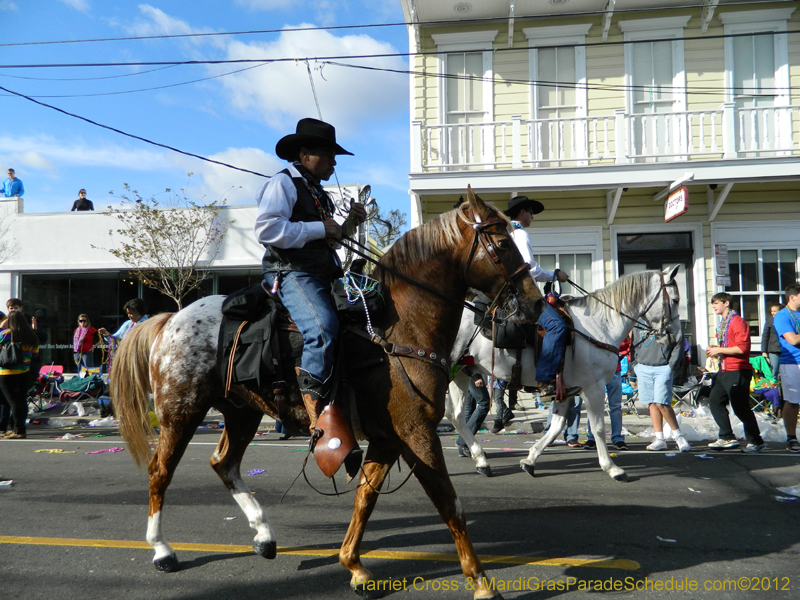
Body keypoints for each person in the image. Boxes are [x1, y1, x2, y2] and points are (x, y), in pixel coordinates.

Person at [255, 118, 366, 430]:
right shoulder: (283, 183)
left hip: (323, 273)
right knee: (322, 327)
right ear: (305, 155)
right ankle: (316, 416)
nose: (333, 163)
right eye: (328, 156)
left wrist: (349, 227)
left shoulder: (317, 191)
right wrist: (321, 226)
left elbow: (326, 238)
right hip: (291, 273)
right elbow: (266, 229)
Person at [503, 195, 580, 399]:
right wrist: (556, 274)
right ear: (522, 212)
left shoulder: (507, 233)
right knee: (557, 326)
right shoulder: (520, 234)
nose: (532, 217)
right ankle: (545, 382)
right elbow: (530, 270)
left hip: (510, 293)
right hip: (524, 295)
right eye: (531, 212)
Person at [705, 292, 766, 453]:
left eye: (716, 303)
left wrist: (719, 349)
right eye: (712, 303)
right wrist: (715, 351)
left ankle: (756, 441)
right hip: (724, 369)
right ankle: (726, 437)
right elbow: (727, 347)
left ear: (726, 303)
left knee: (740, 407)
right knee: (715, 401)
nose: (713, 306)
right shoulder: (724, 323)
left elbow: (742, 348)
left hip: (738, 370)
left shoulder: (738, 322)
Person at [632, 329, 691, 452]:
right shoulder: (639, 323)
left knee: (662, 403)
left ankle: (678, 436)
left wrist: (670, 366)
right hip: (643, 367)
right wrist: (635, 365)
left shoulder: (668, 322)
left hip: (663, 367)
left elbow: (679, 343)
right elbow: (635, 345)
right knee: (652, 403)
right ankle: (659, 438)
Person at [585, 336, 631, 451]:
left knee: (615, 406)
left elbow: (625, 345)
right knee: (593, 405)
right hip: (595, 370)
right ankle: (592, 437)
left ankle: (617, 438)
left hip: (614, 369)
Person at [0, 312, 40, 439]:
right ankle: (19, 428)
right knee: (21, 400)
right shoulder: (32, 335)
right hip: (24, 372)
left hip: (7, 373)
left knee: (13, 402)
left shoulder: (6, 334)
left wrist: (2, 326)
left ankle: (18, 430)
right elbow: (35, 355)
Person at [773, 284, 800, 453]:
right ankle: (791, 437)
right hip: (792, 362)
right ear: (792, 297)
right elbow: (793, 340)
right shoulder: (782, 316)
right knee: (793, 401)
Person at [98, 298, 149, 375]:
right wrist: (106, 333)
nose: (129, 316)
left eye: (131, 313)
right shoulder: (128, 324)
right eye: (128, 313)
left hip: (139, 361)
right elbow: (115, 339)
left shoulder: (146, 324)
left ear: (139, 312)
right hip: (125, 360)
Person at [455, 370, 491, 456]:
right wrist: (476, 377)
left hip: (464, 373)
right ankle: (463, 442)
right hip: (471, 372)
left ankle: (464, 447)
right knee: (484, 403)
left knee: (469, 410)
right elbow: (469, 357)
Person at [761, 303, 783, 381]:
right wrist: (764, 351)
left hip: (785, 350)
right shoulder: (770, 320)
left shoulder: (785, 320)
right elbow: (765, 336)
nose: (772, 313)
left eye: (774, 311)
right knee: (774, 372)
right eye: (771, 311)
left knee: (785, 373)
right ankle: (774, 391)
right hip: (773, 350)